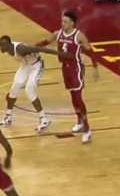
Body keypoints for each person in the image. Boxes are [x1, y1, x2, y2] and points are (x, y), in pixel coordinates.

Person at [36, 11, 98, 143]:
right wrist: (30, 48)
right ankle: (79, 121)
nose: (62, 23)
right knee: (72, 97)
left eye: (65, 21)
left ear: (72, 23)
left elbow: (90, 51)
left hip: (76, 68)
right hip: (65, 68)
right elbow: (44, 42)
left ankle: (87, 129)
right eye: (62, 21)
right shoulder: (58, 33)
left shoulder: (79, 36)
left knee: (78, 97)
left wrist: (95, 67)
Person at [0, 35, 73, 131]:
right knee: (14, 88)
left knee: (29, 90)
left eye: (3, 45)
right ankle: (8, 116)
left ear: (9, 44)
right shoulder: (8, 51)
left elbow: (40, 49)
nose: (1, 47)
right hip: (25, 66)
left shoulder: (21, 48)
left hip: (36, 66)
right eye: (0, 45)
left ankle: (43, 119)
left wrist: (61, 54)